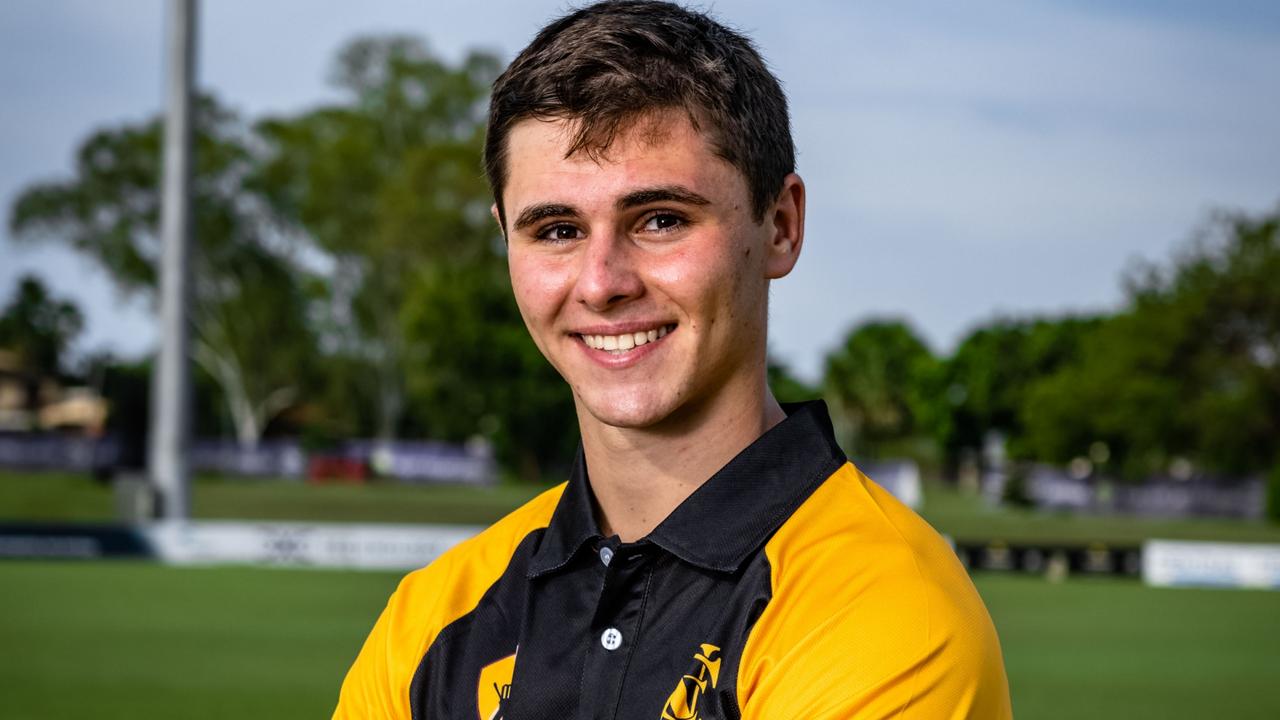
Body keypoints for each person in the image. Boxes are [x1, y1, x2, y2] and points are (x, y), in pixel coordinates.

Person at [333, 2, 1012, 718]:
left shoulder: (889, 614)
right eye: (557, 230)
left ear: (779, 227)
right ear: (505, 240)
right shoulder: (431, 618)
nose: (602, 283)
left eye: (661, 220)